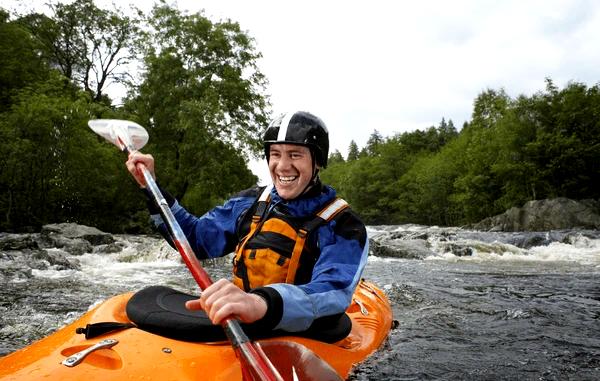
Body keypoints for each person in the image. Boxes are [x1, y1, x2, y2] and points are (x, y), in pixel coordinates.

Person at [126, 111, 368, 334]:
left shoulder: (344, 224)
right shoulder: (250, 203)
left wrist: (260, 302)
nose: (283, 166)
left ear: (317, 162)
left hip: (303, 330)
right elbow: (196, 240)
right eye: (275, 154)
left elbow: (333, 290)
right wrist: (151, 188)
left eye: (295, 154)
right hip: (245, 318)